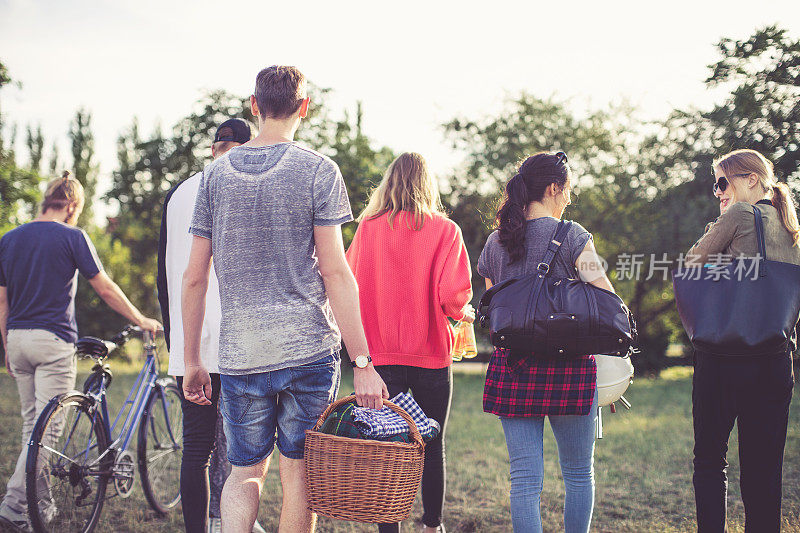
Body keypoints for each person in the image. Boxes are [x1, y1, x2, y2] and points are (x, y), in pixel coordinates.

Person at [181, 65, 388, 533]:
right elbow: (336, 272)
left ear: (254, 105)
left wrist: (193, 357)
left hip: (241, 353)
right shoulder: (319, 170)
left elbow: (194, 278)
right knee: (298, 471)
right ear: (304, 107)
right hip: (309, 351)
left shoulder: (215, 176)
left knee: (244, 471)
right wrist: (362, 360)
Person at [0, 173, 161, 531]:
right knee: (47, 433)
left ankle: (38, 506)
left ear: (48, 199)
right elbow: (104, 287)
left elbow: (2, 301)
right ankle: (13, 506)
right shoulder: (73, 236)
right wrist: (140, 318)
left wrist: (7, 349)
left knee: (33, 428)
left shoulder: (8, 240)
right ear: (72, 205)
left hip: (17, 340)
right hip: (52, 341)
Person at [477, 152, 614, 533]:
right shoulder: (573, 236)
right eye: (568, 189)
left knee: (523, 478)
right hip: (569, 367)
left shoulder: (495, 241)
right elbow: (604, 297)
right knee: (577, 473)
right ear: (554, 188)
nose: (569, 197)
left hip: (514, 367)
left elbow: (497, 310)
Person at [346, 152, 473, 533]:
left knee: (389, 449)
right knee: (433, 446)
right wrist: (463, 311)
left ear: (389, 183)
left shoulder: (368, 228)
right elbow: (453, 297)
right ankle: (432, 526)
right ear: (427, 184)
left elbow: (348, 285)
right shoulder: (446, 230)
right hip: (432, 355)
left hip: (381, 358)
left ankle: (390, 528)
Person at [156, 118, 266, 533]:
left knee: (196, 448)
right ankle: (234, 521)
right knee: (245, 447)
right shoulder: (245, 188)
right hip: (239, 337)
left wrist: (176, 339)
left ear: (215, 147)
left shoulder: (178, 193)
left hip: (191, 341)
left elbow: (164, 275)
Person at [687, 148, 799, 533]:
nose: (718, 192)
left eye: (723, 182)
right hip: (774, 359)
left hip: (723, 355)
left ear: (751, 180)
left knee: (710, 459)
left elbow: (691, 264)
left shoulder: (737, 215)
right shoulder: (791, 226)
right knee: (764, 467)